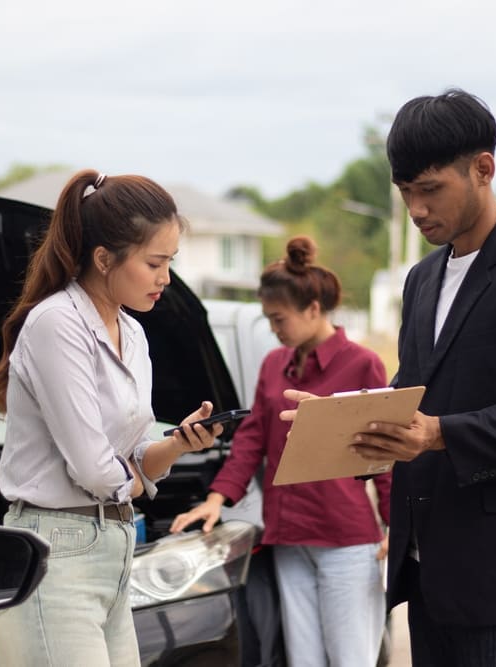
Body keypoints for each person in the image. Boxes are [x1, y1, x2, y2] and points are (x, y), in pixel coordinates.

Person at [282, 90, 496, 666]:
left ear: (483, 169)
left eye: (430, 189)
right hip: (428, 569)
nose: (416, 209)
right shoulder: (423, 278)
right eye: (406, 192)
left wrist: (439, 434)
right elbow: (416, 392)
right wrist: (341, 420)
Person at [0, 169, 224, 667]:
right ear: (104, 258)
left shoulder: (132, 334)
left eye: (170, 262)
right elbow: (93, 468)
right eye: (155, 262)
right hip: (56, 554)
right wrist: (131, 481)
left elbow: (130, 458)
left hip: (113, 551)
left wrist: (177, 445)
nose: (166, 279)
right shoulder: (56, 323)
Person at [170, 235, 392, 667]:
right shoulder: (274, 364)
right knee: (303, 661)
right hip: (289, 537)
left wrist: (393, 523)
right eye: (268, 319)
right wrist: (216, 499)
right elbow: (251, 438)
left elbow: (381, 450)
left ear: (312, 309)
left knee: (351, 660)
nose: (274, 328)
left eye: (279, 318)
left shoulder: (362, 363)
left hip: (344, 540)